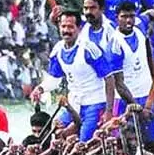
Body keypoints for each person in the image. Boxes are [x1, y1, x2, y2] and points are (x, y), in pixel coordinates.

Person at [47, 9, 120, 141]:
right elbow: (54, 79)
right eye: (63, 26)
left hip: (95, 103)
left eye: (70, 27)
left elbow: (109, 79)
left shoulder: (89, 48)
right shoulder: (57, 49)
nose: (66, 31)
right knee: (56, 130)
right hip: (74, 103)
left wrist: (109, 111)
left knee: (85, 141)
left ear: (79, 28)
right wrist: (40, 89)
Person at [112, 1, 154, 146]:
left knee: (153, 143)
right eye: (124, 17)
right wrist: (138, 110)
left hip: (147, 98)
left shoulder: (139, 26)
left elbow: (152, 13)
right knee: (125, 144)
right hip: (126, 102)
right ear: (117, 18)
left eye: (131, 16)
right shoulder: (114, 44)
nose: (128, 21)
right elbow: (119, 85)